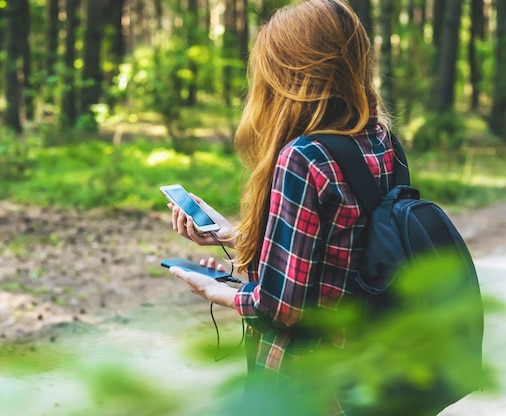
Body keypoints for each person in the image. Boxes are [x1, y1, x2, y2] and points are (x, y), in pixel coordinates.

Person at [168, 0, 406, 414]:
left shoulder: (304, 156)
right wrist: (234, 234)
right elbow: (348, 245)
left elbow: (282, 307)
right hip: (368, 365)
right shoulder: (381, 141)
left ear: (290, 75)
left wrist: (215, 290)